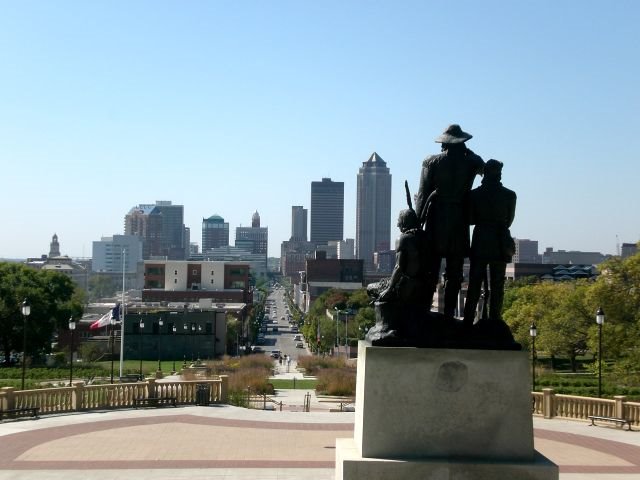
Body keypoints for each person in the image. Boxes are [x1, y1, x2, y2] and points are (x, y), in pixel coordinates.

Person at [415, 124, 484, 319]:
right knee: (455, 272)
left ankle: (424, 312)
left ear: (444, 143)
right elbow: (484, 168)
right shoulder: (470, 162)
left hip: (436, 217)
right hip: (459, 219)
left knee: (431, 268)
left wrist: (418, 222)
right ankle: (449, 315)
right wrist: (467, 151)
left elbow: (422, 193)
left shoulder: (431, 161)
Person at [463, 159, 516, 326]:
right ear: (499, 174)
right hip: (500, 241)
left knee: (474, 282)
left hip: (480, 240)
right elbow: (509, 221)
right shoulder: (509, 195)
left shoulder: (474, 195)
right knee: (497, 284)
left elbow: (470, 220)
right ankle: (495, 318)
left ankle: (468, 319)